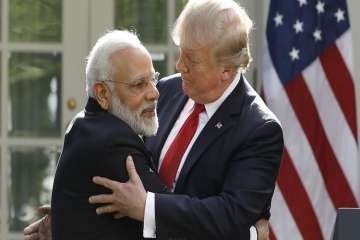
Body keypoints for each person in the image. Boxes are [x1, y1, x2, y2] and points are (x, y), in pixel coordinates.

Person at [88, 0, 284, 239]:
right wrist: (69, 210)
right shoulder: (167, 90)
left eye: (191, 60)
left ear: (226, 70)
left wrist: (148, 208)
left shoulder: (259, 129)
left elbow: (230, 216)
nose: (179, 66)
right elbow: (112, 150)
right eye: (180, 52)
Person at [49, 30, 168, 240]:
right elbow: (172, 224)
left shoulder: (84, 122)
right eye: (139, 84)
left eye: (153, 79)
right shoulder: (113, 143)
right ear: (102, 94)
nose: (154, 93)